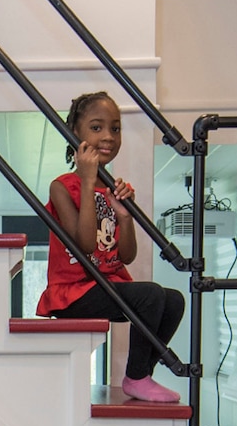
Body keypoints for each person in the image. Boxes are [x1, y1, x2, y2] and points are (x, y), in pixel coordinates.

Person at [38, 92, 186, 404]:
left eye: (115, 128)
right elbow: (85, 244)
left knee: (173, 300)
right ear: (75, 133)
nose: (107, 136)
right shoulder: (63, 186)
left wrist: (124, 216)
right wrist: (89, 182)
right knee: (151, 295)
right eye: (96, 127)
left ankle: (140, 375)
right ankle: (136, 377)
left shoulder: (111, 190)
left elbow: (125, 256)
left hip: (105, 284)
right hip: (73, 292)